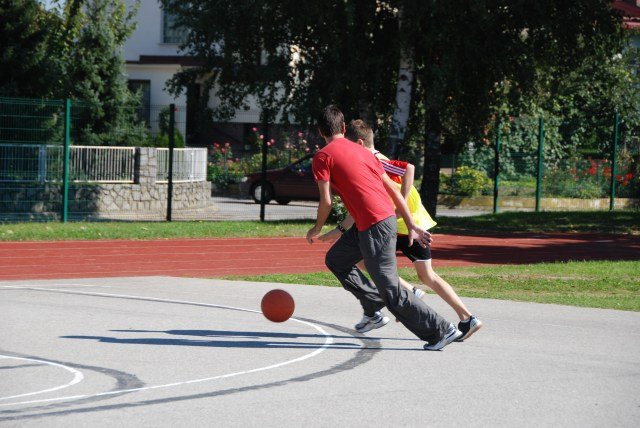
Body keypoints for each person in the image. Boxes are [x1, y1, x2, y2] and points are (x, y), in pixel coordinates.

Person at [306, 105, 462, 351]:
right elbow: (393, 190)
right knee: (337, 259)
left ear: (319, 131)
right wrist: (411, 224)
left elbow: (326, 201)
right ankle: (373, 304)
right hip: (375, 222)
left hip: (375, 225)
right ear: (344, 127)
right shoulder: (363, 151)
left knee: (391, 290)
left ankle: (441, 330)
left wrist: (316, 228)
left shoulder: (322, 157)